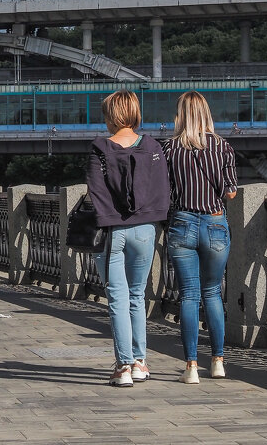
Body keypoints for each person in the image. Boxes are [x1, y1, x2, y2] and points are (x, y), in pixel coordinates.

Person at [85, 90, 171, 388]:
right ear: (134, 112)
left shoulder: (100, 149)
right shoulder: (153, 147)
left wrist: (110, 219)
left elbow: (97, 191)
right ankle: (140, 362)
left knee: (117, 299)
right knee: (137, 295)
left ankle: (122, 367)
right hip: (145, 230)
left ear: (110, 116)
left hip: (111, 232)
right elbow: (162, 189)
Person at [162, 91, 238, 384]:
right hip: (215, 224)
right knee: (213, 293)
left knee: (189, 297)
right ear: (207, 113)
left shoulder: (169, 149)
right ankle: (218, 361)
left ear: (180, 115)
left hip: (182, 223)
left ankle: (191, 367)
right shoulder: (222, 147)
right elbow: (230, 192)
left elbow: (165, 193)